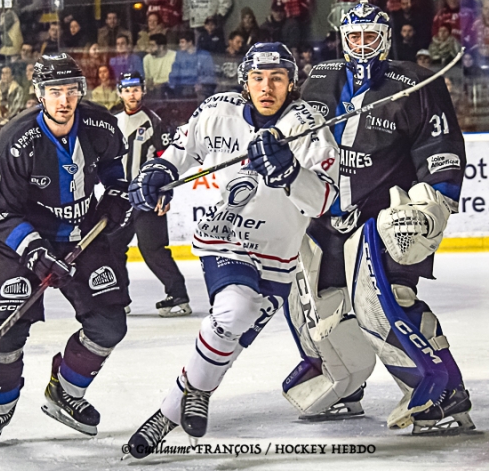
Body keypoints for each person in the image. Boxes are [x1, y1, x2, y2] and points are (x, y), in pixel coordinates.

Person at [125, 42, 338, 458]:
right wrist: (159, 170)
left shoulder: (308, 127)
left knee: (229, 341)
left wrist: (290, 172)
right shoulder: (218, 111)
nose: (267, 86)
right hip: (225, 237)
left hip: (278, 256)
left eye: (277, 78)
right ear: (245, 82)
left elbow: (323, 202)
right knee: (234, 312)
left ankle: (169, 410)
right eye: (258, 78)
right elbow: (181, 152)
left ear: (292, 83)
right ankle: (194, 395)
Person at [282, 0, 473, 435]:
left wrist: (434, 203)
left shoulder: (414, 83)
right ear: (343, 40)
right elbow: (292, 132)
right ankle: (341, 381)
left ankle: (443, 391)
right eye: (355, 37)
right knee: (312, 301)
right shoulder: (321, 79)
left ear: (385, 40)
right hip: (326, 213)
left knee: (385, 303)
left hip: (384, 216)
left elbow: (439, 145)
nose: (363, 45)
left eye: (371, 37)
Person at [0, 53, 133, 447]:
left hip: (82, 235)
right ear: (39, 94)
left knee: (110, 324)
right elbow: (3, 216)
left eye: (71, 90)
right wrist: (37, 253)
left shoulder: (99, 124)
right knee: (7, 330)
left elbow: (113, 165)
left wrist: (114, 194)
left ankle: (66, 393)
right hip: (24, 243)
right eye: (54, 91)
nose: (64, 100)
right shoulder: (14, 142)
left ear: (81, 91)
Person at [110, 71, 191, 317]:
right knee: (112, 247)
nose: (132, 94)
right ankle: (118, 299)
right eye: (127, 89)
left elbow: (167, 161)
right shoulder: (112, 122)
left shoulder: (154, 121)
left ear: (143, 90)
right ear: (120, 92)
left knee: (151, 248)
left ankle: (178, 297)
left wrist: (165, 194)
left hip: (147, 196)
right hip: (120, 197)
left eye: (136, 89)